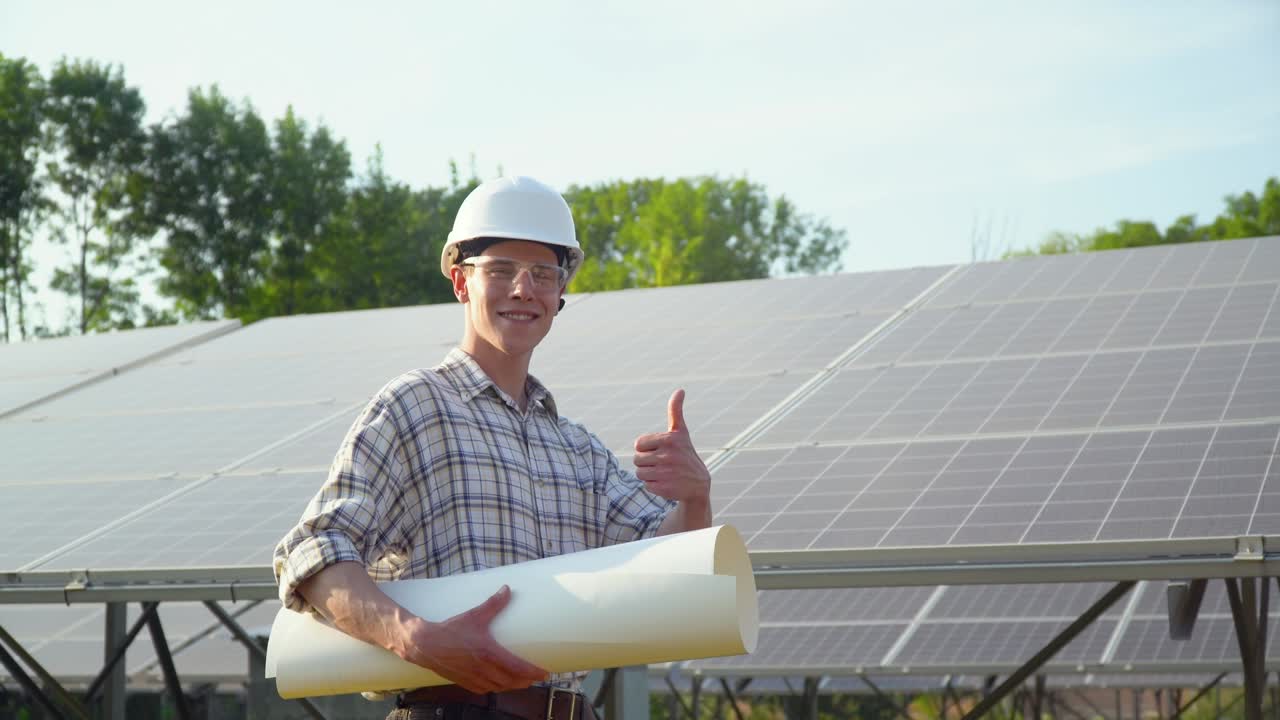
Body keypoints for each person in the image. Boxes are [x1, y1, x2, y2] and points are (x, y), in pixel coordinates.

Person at [272, 176, 713, 720]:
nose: (524, 289)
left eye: (543, 274)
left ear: (559, 294)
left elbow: (665, 566)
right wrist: (414, 638)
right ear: (461, 282)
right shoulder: (417, 406)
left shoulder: (576, 448)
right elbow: (314, 550)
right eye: (500, 270)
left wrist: (694, 498)